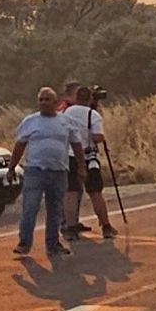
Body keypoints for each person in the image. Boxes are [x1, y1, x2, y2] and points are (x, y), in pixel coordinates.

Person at [9, 87, 77, 261]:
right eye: (41, 99)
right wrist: (11, 168)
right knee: (30, 208)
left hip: (59, 171)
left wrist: (82, 167)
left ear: (56, 103)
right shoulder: (30, 121)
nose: (44, 103)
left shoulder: (66, 121)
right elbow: (19, 146)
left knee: (55, 210)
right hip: (35, 171)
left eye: (48, 100)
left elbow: (76, 145)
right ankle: (24, 242)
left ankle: (53, 244)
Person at [62, 84, 112, 241]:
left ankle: (70, 228)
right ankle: (106, 226)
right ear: (90, 99)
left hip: (69, 156)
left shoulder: (66, 112)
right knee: (95, 192)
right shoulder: (93, 115)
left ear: (75, 97)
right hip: (88, 157)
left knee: (70, 193)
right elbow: (98, 136)